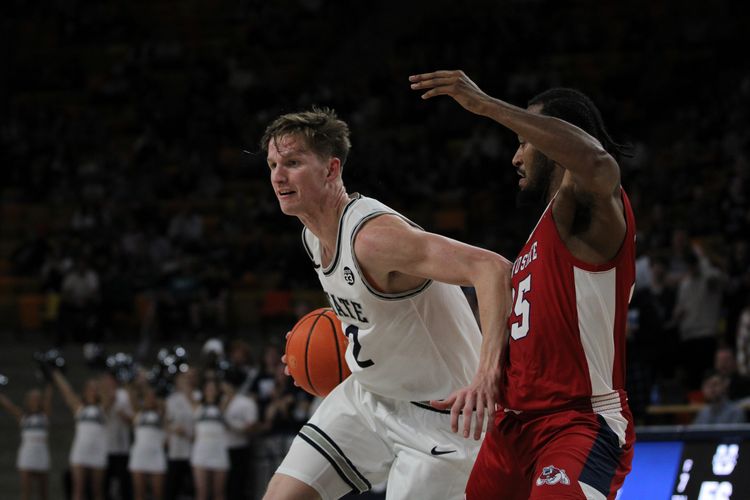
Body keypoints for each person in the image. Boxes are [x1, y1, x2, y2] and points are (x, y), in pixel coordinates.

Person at [260, 107, 512, 500]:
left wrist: (488, 374)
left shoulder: (374, 238)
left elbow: (493, 269)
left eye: (292, 163)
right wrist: (311, 351)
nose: (278, 176)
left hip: (442, 418)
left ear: (330, 169)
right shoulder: (312, 235)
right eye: (273, 164)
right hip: (369, 397)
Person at [410, 70, 636, 499]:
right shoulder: (538, 237)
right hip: (513, 428)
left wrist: (487, 106)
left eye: (523, 141)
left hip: (577, 422)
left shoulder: (591, 215)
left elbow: (597, 162)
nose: (516, 157)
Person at [51, 368, 110, 500]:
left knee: (97, 492)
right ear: (85, 390)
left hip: (98, 451)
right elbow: (67, 392)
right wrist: (56, 374)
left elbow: (108, 393)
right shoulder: (79, 407)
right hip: (80, 451)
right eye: (90, 388)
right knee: (78, 490)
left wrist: (101, 376)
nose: (93, 390)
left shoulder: (103, 407)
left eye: (95, 388)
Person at [0, 384, 53, 500]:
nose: (35, 401)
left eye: (38, 399)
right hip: (27, 455)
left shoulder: (45, 416)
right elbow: (9, 406)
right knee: (26, 492)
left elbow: (49, 397)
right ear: (28, 401)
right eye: (33, 399)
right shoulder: (23, 416)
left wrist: (50, 384)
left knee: (43, 492)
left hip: (41, 454)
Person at [222, 368, 260, 500]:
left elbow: (252, 427)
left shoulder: (246, 402)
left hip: (239, 448)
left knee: (238, 484)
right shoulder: (221, 400)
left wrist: (232, 425)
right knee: (224, 486)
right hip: (222, 448)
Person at [127, 380, 167, 500]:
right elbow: (131, 395)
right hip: (139, 455)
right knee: (139, 494)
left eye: (152, 397)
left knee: (158, 494)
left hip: (156, 455)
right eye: (147, 397)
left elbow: (163, 404)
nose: (150, 399)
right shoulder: (138, 414)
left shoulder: (161, 413)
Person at [191, 378, 229, 500]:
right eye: (208, 388)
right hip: (201, 450)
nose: (211, 391)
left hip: (219, 449)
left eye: (213, 389)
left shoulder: (223, 405)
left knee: (219, 493)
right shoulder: (197, 405)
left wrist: (221, 385)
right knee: (202, 493)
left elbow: (230, 392)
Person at [165, 371, 195, 500]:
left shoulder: (198, 396)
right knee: (172, 488)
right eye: (183, 379)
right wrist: (173, 429)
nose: (186, 381)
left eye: (188, 379)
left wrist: (189, 396)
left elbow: (198, 414)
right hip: (176, 450)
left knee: (193, 488)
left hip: (194, 449)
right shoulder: (172, 399)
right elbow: (167, 421)